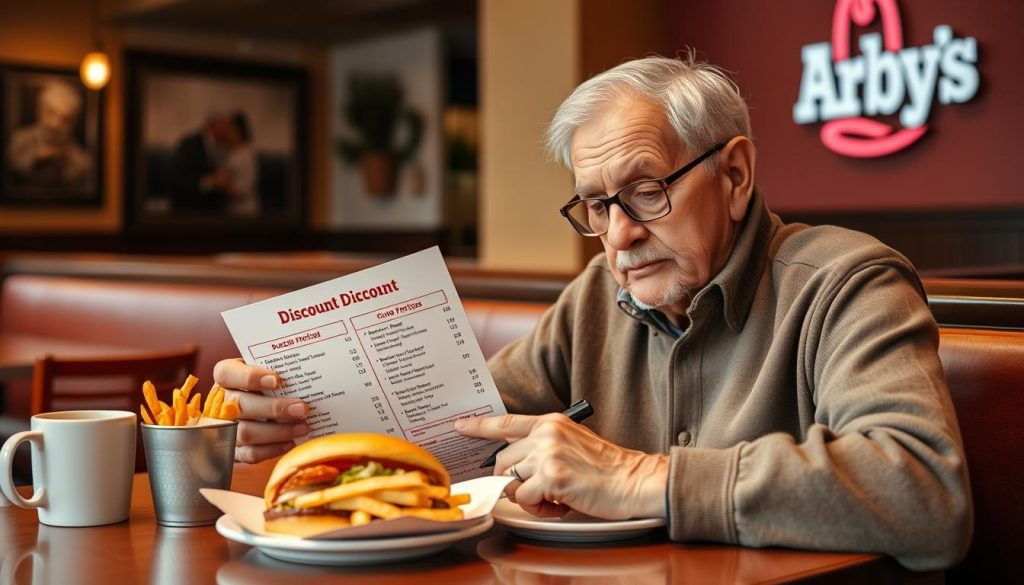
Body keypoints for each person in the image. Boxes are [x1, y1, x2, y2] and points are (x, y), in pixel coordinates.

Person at [212, 54, 971, 570]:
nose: (620, 235)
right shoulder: (598, 298)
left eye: (646, 190)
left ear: (735, 175)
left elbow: (928, 494)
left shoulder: (848, 281)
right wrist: (311, 419)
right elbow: (460, 430)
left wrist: (646, 478)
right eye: (597, 205)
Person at [6, 79, 91, 190]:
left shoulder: (79, 157)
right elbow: (10, 168)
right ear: (39, 111)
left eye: (66, 119)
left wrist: (64, 160)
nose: (55, 124)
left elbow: (83, 177)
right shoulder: (19, 140)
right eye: (50, 113)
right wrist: (35, 158)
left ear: (74, 123)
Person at [169, 112, 234, 212]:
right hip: (190, 209)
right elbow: (180, 180)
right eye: (225, 126)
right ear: (213, 125)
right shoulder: (190, 145)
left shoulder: (223, 147)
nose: (228, 131)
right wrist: (211, 181)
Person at [222, 110, 261, 216]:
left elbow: (242, 191)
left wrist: (221, 185)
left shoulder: (246, 155)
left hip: (244, 212)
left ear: (238, 131)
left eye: (229, 129)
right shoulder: (230, 152)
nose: (225, 133)